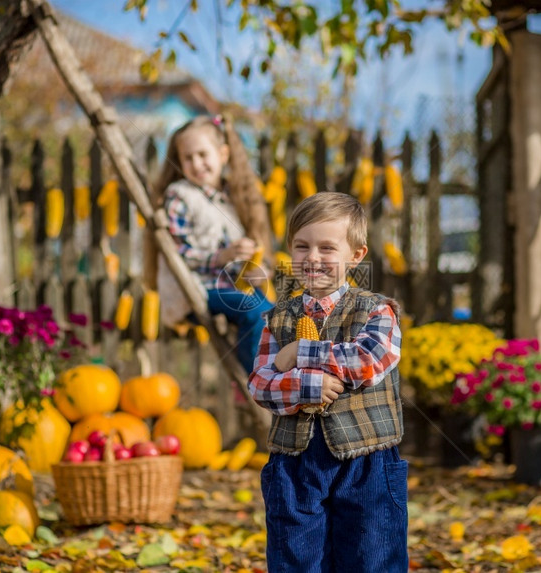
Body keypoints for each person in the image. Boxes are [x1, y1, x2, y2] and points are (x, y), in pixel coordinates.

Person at [248, 192, 408, 572]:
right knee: (296, 557)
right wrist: (307, 387)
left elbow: (367, 361)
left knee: (371, 556)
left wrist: (301, 354)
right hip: (296, 463)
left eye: (327, 248)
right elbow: (260, 383)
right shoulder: (278, 318)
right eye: (302, 246)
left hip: (367, 460)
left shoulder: (377, 310)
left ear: (356, 255)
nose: (313, 258)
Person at [154, 115, 274, 374]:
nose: (196, 164)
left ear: (223, 154)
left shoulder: (229, 202)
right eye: (188, 158)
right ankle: (258, 377)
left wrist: (251, 267)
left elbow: (232, 258)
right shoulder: (179, 196)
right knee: (254, 311)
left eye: (202, 154)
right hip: (196, 289)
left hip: (227, 286)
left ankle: (272, 371)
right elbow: (177, 253)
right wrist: (222, 257)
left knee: (274, 314)